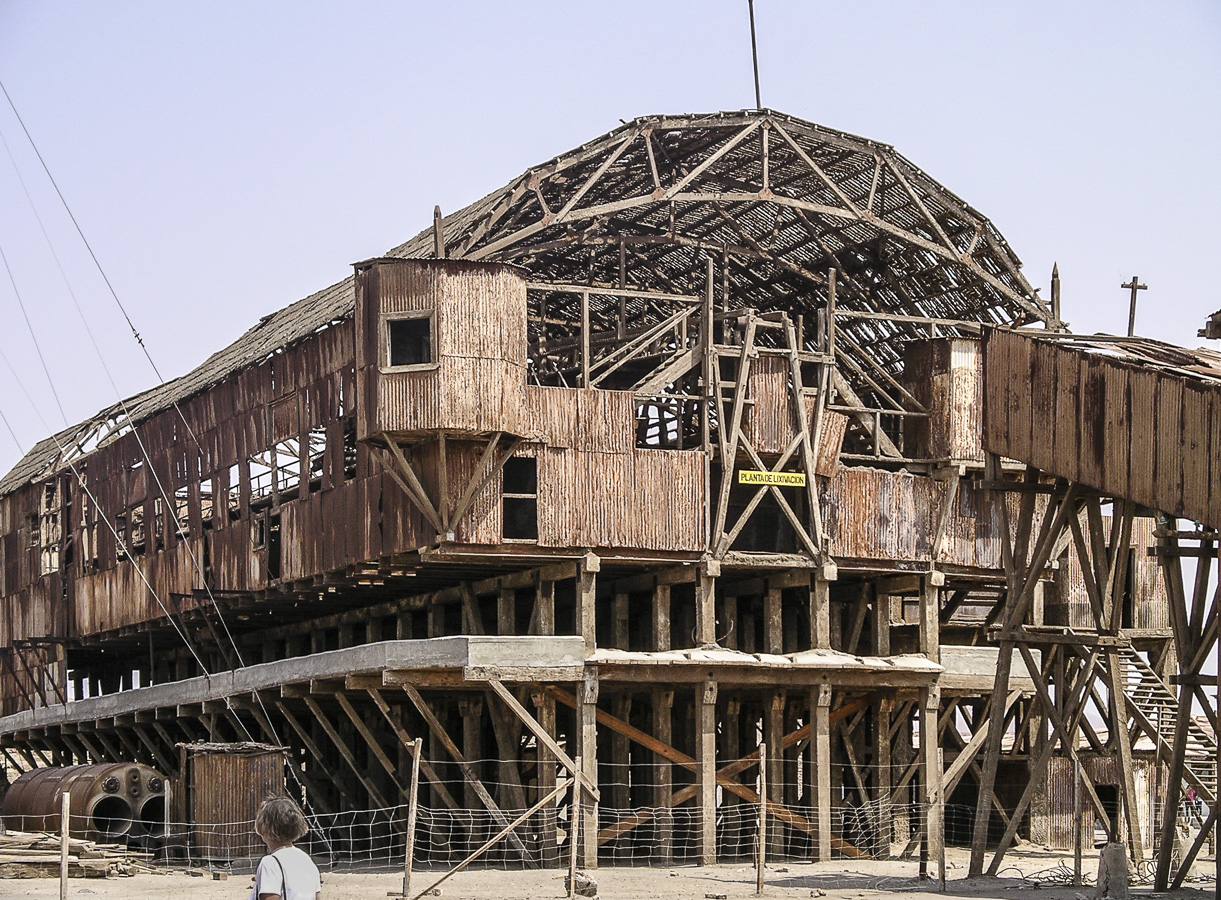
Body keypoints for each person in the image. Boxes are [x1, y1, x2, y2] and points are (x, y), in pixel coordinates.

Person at [249, 797, 322, 900]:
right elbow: (317, 897)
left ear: (264, 827)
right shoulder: (307, 860)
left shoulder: (270, 862)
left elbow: (270, 897)